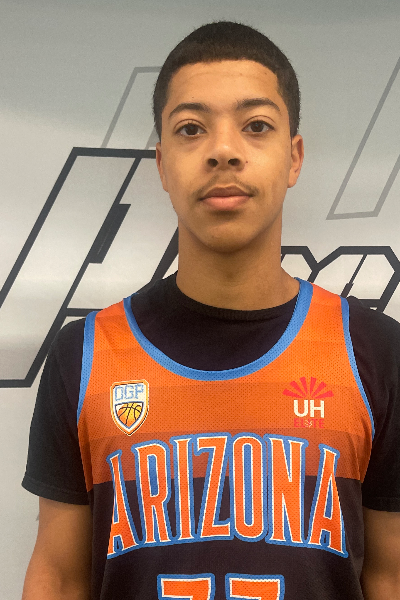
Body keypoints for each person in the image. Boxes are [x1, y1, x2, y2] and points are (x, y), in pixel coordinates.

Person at [22, 21, 400, 600]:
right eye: (191, 129)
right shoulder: (86, 355)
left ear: (294, 157)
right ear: (161, 164)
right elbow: (60, 576)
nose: (224, 150)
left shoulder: (374, 351)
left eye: (256, 126)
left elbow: (389, 576)